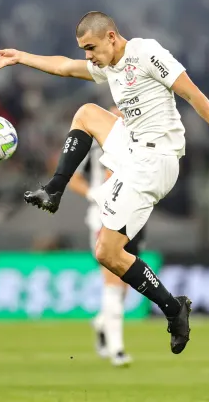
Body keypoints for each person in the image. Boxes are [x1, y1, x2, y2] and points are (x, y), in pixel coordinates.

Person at [0, 11, 209, 354]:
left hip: (156, 160)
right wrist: (22, 57)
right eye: (83, 49)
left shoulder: (146, 52)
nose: (87, 55)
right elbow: (64, 66)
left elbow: (192, 93)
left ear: (111, 36)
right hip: (134, 150)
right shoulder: (108, 65)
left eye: (90, 47)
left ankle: (173, 309)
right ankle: (54, 191)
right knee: (87, 113)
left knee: (107, 252)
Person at [69, 105, 141, 367]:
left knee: (124, 288)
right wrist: (94, 195)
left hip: (135, 216)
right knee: (112, 281)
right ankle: (117, 349)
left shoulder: (141, 139)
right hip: (103, 215)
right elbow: (73, 178)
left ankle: (102, 323)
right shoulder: (95, 143)